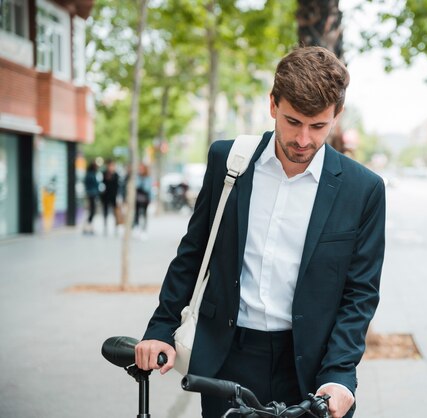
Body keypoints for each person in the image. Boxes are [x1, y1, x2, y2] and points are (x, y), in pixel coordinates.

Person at [135, 46, 385, 418]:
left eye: (318, 126)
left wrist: (340, 373)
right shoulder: (228, 161)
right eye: (292, 121)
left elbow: (360, 293)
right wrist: (161, 326)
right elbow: (193, 251)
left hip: (312, 370)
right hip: (228, 355)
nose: (303, 139)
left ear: (337, 115)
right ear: (273, 105)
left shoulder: (363, 189)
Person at [100, 159, 120, 235]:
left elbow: (117, 186)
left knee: (115, 212)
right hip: (105, 196)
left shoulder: (116, 175)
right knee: (105, 211)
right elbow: (102, 184)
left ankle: (116, 226)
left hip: (113, 196)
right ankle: (105, 226)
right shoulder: (104, 174)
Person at [134, 163, 151, 235]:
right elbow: (136, 185)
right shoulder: (137, 176)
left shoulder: (148, 177)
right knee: (137, 213)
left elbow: (147, 188)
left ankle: (144, 229)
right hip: (137, 198)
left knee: (144, 214)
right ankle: (136, 227)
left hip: (145, 198)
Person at [83, 161, 100, 235]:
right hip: (91, 194)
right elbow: (94, 184)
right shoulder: (91, 175)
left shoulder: (90, 174)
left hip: (92, 194)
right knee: (92, 210)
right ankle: (88, 225)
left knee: (92, 210)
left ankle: (89, 225)